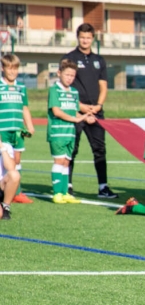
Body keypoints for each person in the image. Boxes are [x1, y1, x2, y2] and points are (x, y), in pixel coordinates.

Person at [63, 23, 117, 199]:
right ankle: (67, 185)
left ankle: (103, 187)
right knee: (72, 148)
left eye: (88, 37)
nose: (85, 40)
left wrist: (98, 106)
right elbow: (66, 85)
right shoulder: (69, 58)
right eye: (82, 37)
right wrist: (81, 107)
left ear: (93, 38)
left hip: (96, 112)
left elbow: (103, 85)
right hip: (76, 111)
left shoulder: (99, 60)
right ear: (78, 37)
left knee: (100, 149)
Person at [47, 60, 90, 204]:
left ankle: (65, 192)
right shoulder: (54, 90)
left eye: (73, 75)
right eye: (67, 75)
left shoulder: (74, 92)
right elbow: (56, 111)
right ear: (59, 73)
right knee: (59, 161)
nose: (70, 78)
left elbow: (75, 112)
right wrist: (75, 119)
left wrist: (85, 117)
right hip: (58, 133)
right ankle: (57, 192)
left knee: (66, 162)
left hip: (70, 133)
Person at [0, 54, 34, 204]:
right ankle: (10, 189)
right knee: (7, 160)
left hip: (18, 130)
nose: (12, 72)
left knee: (17, 159)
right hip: (3, 130)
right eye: (9, 68)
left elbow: (24, 107)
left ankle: (16, 191)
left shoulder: (21, 88)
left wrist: (30, 125)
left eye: (15, 69)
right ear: (3, 68)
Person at [0, 140, 19, 219]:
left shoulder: (6, 146)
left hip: (1, 185)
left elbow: (11, 167)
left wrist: (2, 148)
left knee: (14, 175)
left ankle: (6, 208)